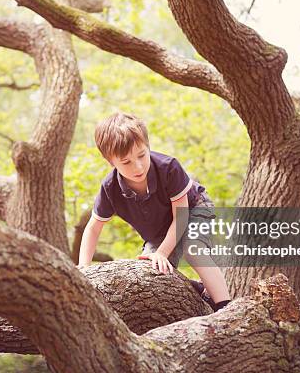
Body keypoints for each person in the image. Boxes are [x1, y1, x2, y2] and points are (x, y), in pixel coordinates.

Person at [78, 112, 232, 312]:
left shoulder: (168, 168)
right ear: (111, 162)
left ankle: (225, 308)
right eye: (126, 162)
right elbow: (93, 229)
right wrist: (84, 267)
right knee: (149, 271)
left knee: (193, 250)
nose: (138, 166)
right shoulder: (110, 188)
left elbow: (181, 217)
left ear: (147, 147)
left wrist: (162, 252)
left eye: (142, 155)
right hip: (159, 229)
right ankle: (199, 290)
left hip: (192, 209)